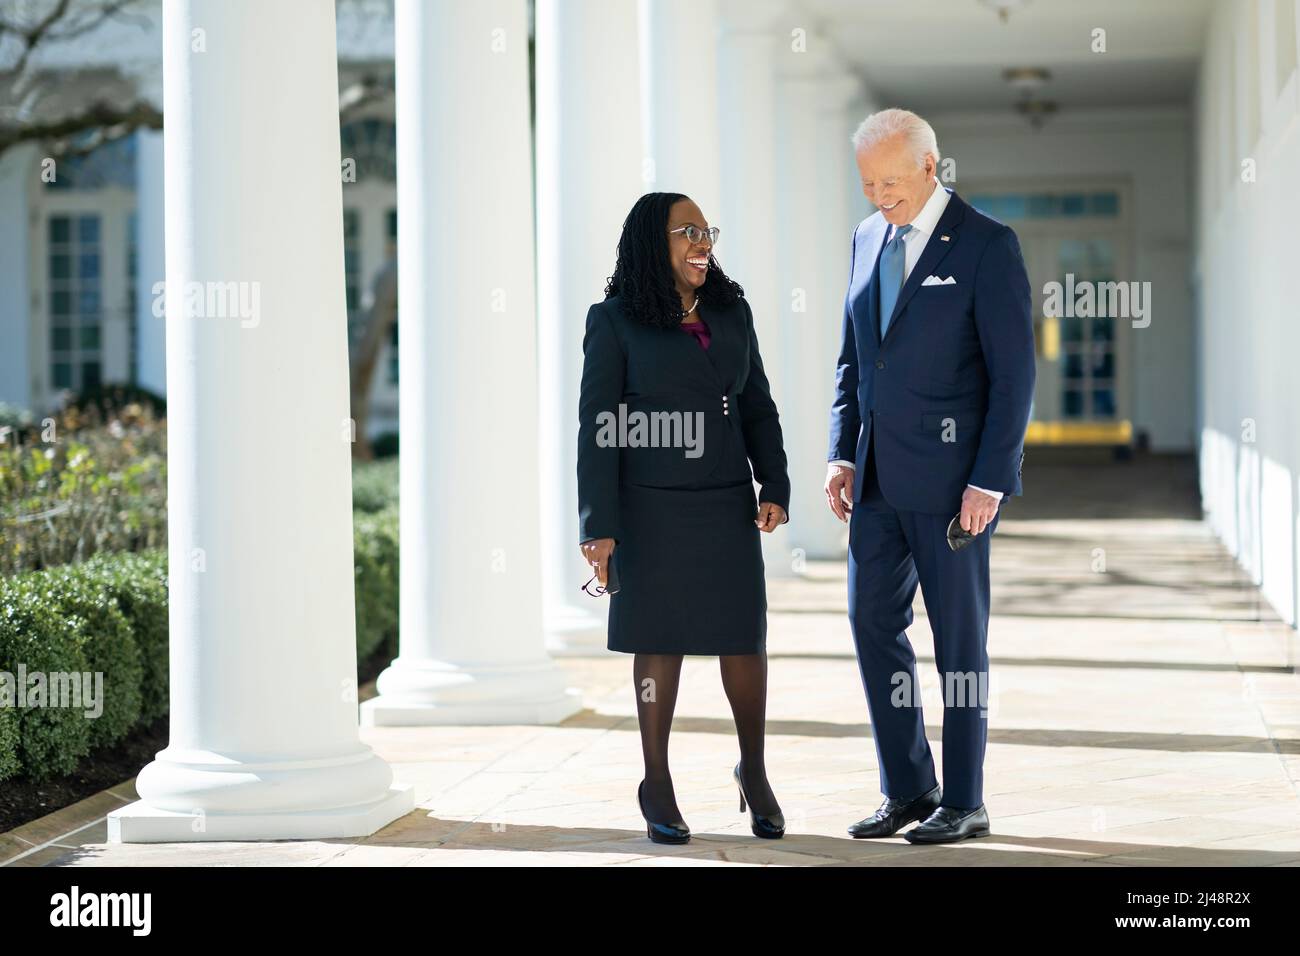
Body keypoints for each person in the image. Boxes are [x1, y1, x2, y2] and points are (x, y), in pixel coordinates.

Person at [825, 109, 1035, 844]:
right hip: (877, 481)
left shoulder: (986, 246)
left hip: (954, 490)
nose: (879, 196)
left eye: (890, 181)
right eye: (866, 183)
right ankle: (909, 787)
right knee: (870, 622)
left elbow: (1015, 378)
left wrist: (990, 481)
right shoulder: (863, 238)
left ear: (929, 166)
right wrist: (842, 452)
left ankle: (967, 798)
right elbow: (855, 358)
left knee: (958, 643)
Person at [577, 191, 791, 845]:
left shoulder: (732, 312)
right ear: (653, 242)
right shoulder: (614, 321)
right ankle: (656, 781)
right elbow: (598, 427)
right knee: (659, 639)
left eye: (707, 231)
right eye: (687, 231)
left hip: (725, 498)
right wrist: (598, 525)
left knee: (743, 640)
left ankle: (753, 770)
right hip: (649, 507)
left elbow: (757, 405)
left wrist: (774, 480)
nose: (703, 242)